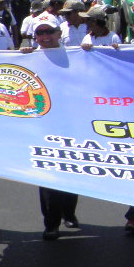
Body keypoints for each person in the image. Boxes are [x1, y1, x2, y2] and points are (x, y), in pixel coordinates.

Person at [30, 22, 82, 237]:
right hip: (44, 122)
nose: (45, 36)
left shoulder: (74, 55)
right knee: (48, 175)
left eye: (49, 31)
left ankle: (68, 213)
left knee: (70, 172)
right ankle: (51, 223)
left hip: (70, 121)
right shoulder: (29, 56)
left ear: (59, 34)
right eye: (40, 33)